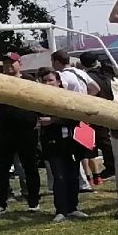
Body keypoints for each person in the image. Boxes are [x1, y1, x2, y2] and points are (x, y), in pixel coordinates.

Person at [0, 54, 43, 215]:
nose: (8, 66)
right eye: (5, 63)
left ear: (20, 63)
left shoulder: (30, 81)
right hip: (4, 130)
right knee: (2, 168)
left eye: (11, 63)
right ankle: (0, 202)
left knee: (30, 167)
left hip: (27, 130)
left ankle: (33, 201)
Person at [36, 72, 89, 223]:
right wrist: (57, 120)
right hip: (53, 143)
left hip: (71, 143)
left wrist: (53, 120)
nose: (48, 83)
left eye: (51, 80)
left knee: (73, 176)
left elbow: (74, 116)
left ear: (58, 81)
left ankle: (73, 208)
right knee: (59, 177)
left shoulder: (68, 97)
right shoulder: (41, 99)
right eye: (45, 80)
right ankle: (61, 210)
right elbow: (42, 118)